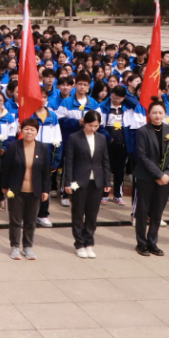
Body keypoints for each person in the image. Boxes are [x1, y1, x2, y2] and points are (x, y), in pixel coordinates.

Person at [62, 109, 111, 259]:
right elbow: (69, 162)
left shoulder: (101, 138)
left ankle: (89, 242)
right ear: (84, 123)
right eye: (90, 125)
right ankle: (79, 243)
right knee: (78, 212)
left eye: (96, 126)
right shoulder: (74, 138)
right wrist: (68, 182)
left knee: (92, 213)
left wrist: (107, 181)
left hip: (96, 180)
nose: (93, 128)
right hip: (79, 180)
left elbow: (105, 161)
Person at [132, 100, 169, 257]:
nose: (157, 115)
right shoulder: (142, 131)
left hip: (166, 179)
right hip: (146, 177)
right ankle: (141, 243)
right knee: (142, 210)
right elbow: (142, 156)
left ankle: (153, 242)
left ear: (165, 114)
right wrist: (158, 174)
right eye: (154, 112)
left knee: (158, 211)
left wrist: (167, 174)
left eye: (160, 112)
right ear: (149, 114)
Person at [1, 117, 51, 260]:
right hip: (15, 190)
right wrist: (4, 187)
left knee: (30, 221)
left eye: (32, 129)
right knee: (15, 220)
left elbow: (45, 172)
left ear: (37, 132)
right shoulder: (13, 146)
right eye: (26, 129)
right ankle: (15, 246)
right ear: (21, 130)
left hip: (34, 190)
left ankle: (28, 246)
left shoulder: (43, 148)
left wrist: (45, 190)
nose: (29, 132)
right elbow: (6, 168)